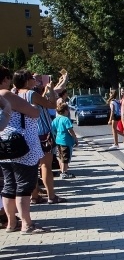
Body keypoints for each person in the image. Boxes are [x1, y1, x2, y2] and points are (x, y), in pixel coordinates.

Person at [0, 82, 45, 234]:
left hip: (4, 144)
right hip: (22, 144)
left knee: (9, 184)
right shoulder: (5, 94)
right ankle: (27, 224)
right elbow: (34, 112)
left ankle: (11, 224)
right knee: (24, 185)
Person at [20, 72, 64, 204]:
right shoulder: (31, 94)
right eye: (33, 79)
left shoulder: (16, 94)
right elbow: (52, 105)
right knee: (45, 166)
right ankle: (51, 196)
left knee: (32, 166)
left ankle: (34, 196)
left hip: (27, 133)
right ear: (27, 81)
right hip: (43, 133)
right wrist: (50, 90)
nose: (36, 81)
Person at [50, 103, 78, 179]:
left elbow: (53, 129)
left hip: (58, 140)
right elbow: (70, 130)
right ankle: (64, 172)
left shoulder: (56, 119)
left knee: (61, 156)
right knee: (66, 157)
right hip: (66, 140)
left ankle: (62, 171)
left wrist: (57, 135)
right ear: (66, 110)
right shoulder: (66, 119)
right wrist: (75, 138)